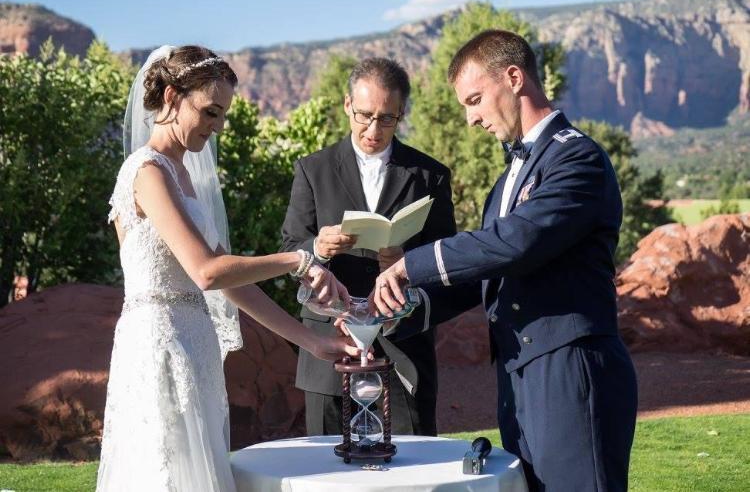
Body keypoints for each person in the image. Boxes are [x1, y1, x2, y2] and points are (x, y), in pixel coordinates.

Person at [372, 30, 638, 491]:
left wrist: (410, 264)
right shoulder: (504, 183)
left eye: (475, 100)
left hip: (570, 368)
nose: (471, 118)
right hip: (518, 377)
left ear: (514, 78)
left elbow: (513, 242)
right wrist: (399, 308)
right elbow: (485, 275)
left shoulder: (577, 158)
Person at [98, 45, 361, 492]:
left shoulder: (183, 176)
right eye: (210, 112)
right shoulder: (147, 171)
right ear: (171, 97)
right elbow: (206, 272)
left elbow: (234, 285)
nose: (218, 126)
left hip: (195, 347)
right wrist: (301, 259)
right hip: (159, 349)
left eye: (222, 115)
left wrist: (312, 341)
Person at [281, 57, 464, 437]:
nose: (373, 130)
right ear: (347, 104)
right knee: (327, 465)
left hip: (404, 346)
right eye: (364, 115)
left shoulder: (430, 175)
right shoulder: (312, 169)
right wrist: (319, 248)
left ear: (401, 114)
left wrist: (409, 262)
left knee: (413, 463)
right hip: (331, 344)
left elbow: (445, 259)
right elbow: (290, 247)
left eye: (386, 118)